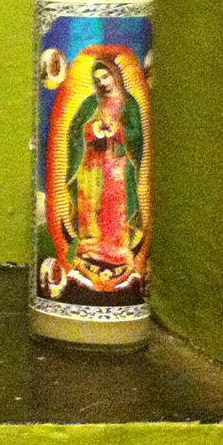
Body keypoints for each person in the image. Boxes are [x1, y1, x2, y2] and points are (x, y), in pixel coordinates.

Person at [62, 53, 144, 281]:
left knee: (114, 207)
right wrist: (92, 129)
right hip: (91, 164)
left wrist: (118, 130)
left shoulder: (129, 103)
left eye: (106, 76)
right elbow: (75, 129)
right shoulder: (91, 103)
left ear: (115, 75)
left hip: (116, 165)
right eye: (98, 79)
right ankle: (88, 249)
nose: (103, 83)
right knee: (89, 207)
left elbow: (137, 135)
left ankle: (116, 251)